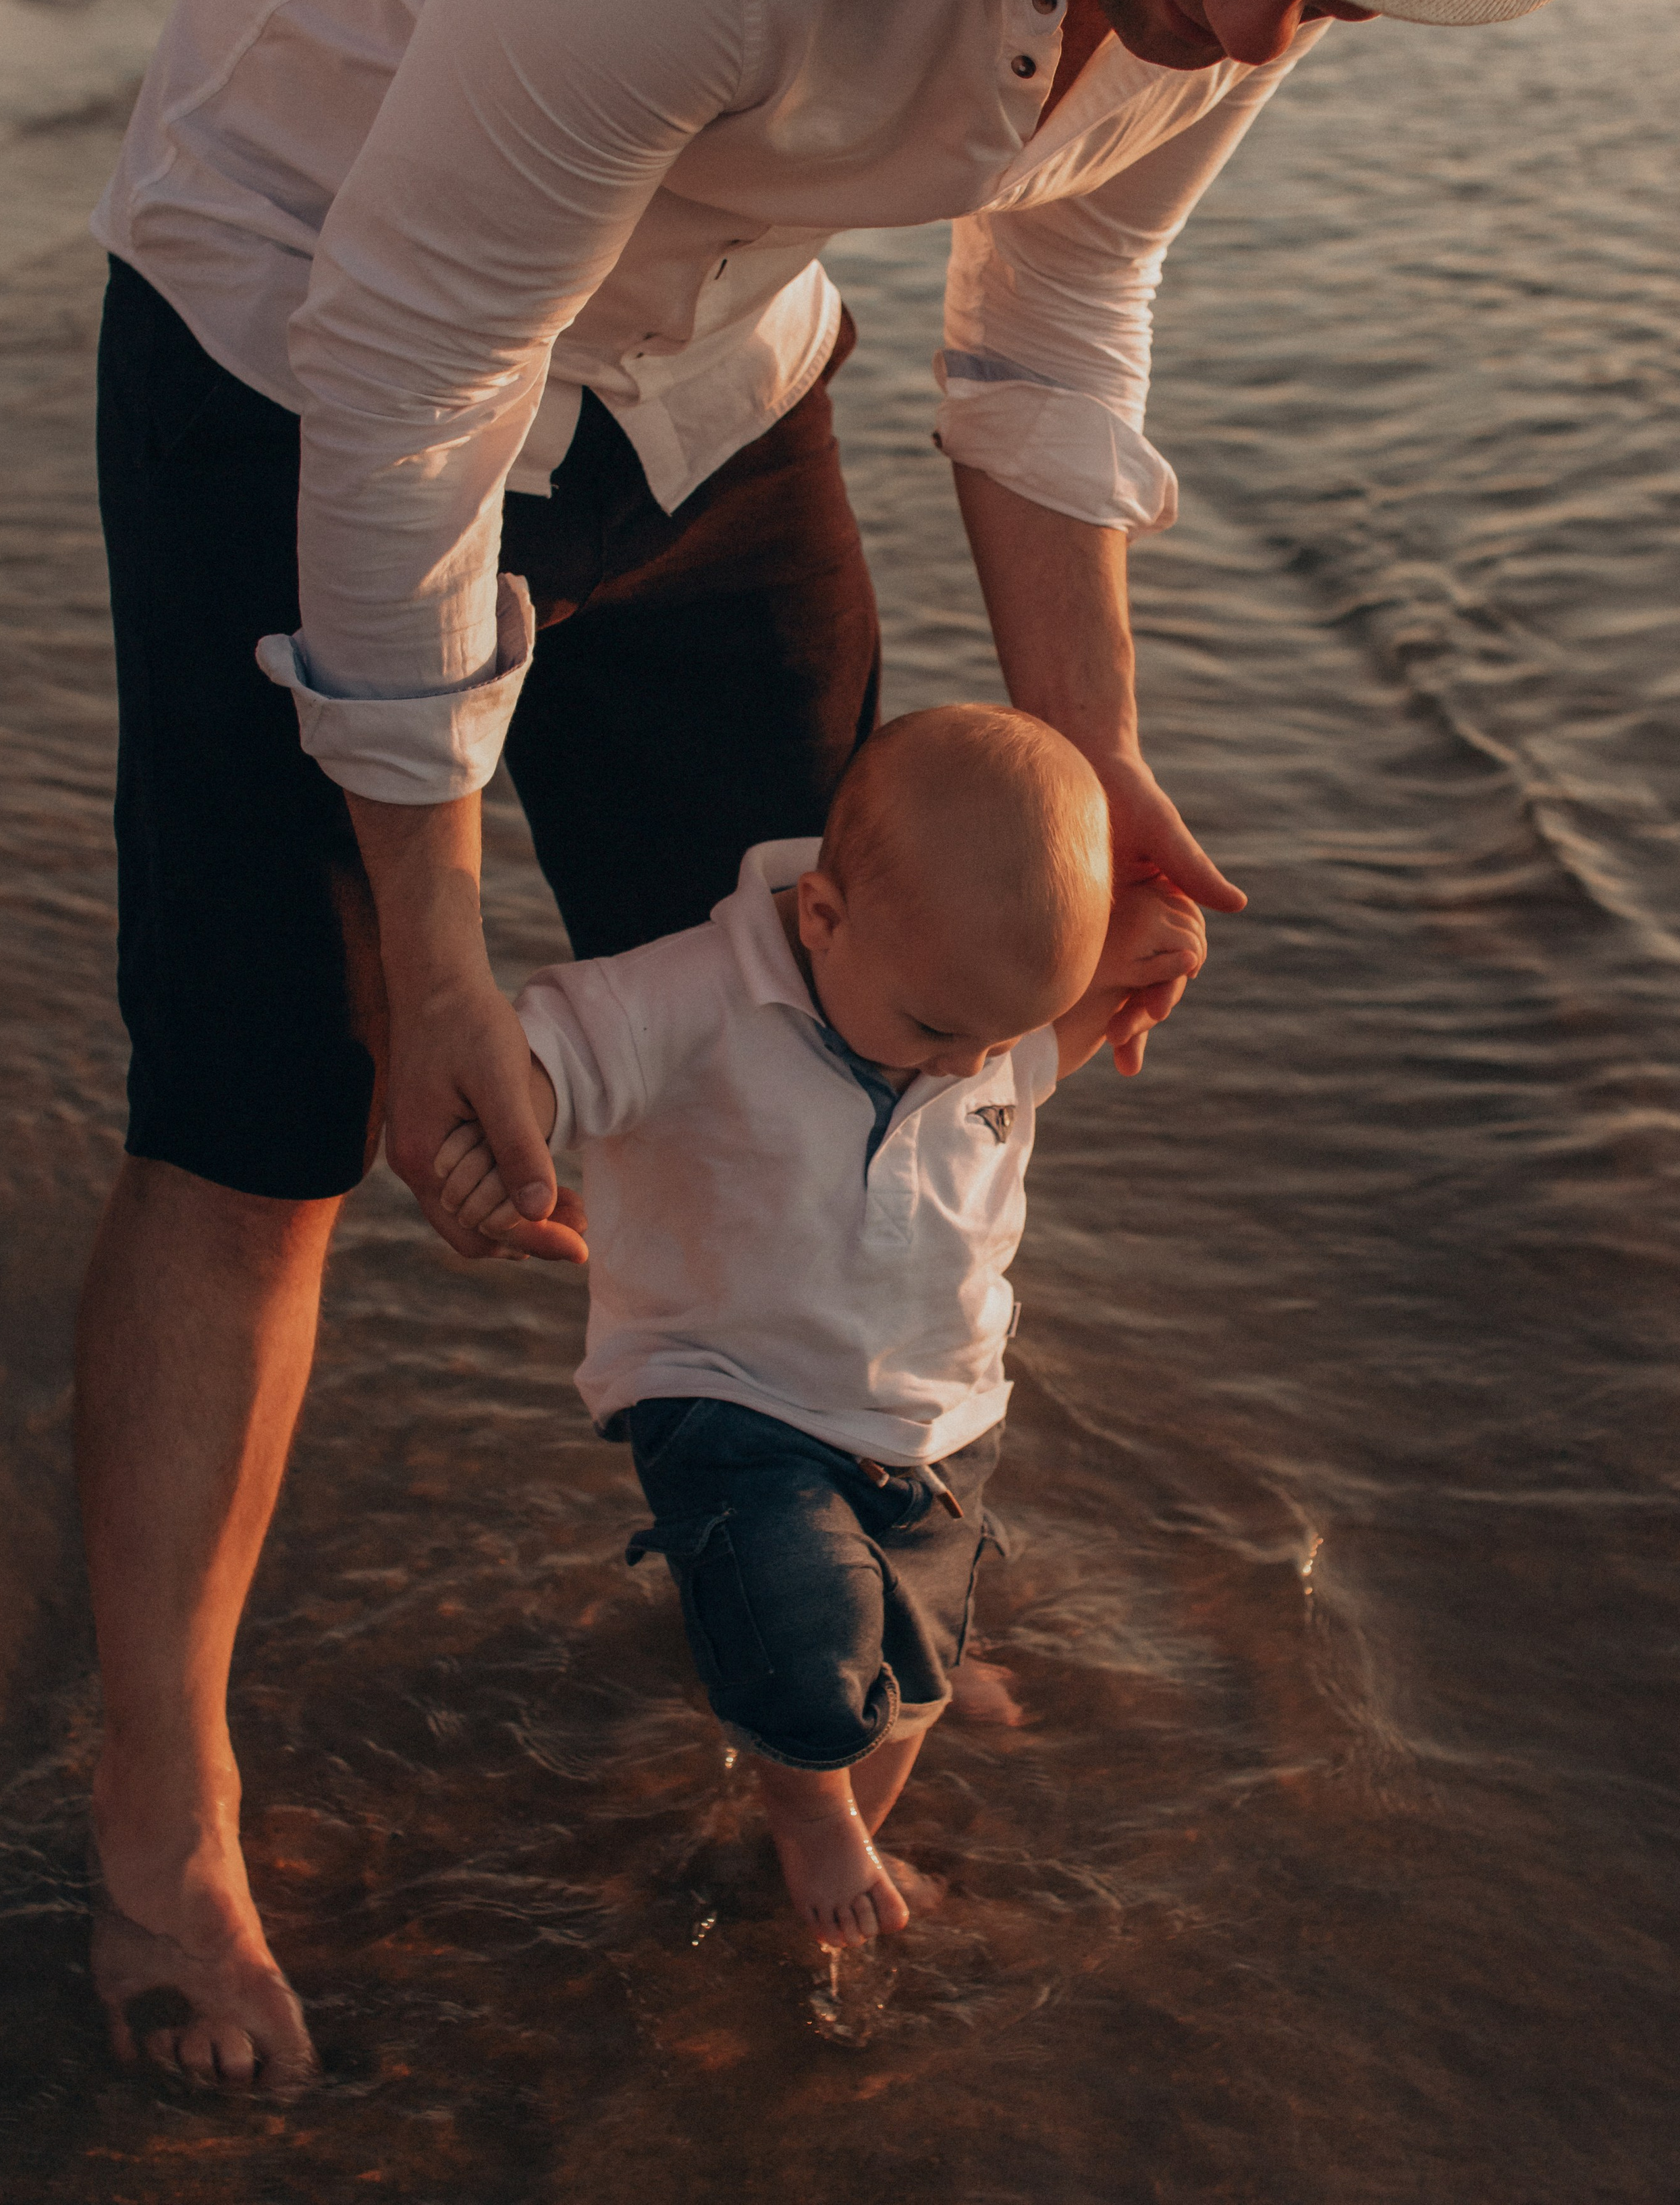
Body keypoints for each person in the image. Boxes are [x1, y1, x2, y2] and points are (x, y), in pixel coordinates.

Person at [78, 0, 1645, 2086]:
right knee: (277, 1110)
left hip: (705, 348)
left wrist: (1088, 756)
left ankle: (790, 1604)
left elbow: (1060, 301)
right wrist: (435, 928)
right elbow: (412, 375)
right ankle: (160, 1794)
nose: (1257, 25)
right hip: (309, 302)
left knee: (845, 1007)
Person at [432, 707, 1208, 1947]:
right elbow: (562, 1044)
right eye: (944, 1037)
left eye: (998, 1039)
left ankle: (871, 1775)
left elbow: (1014, 1063)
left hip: (938, 1414)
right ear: (825, 919)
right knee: (802, 1634)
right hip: (728, 1387)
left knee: (914, 1666)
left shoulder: (955, 1016)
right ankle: (811, 1817)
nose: (968, 1072)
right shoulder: (702, 988)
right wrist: (499, 1128)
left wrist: (1126, 964)